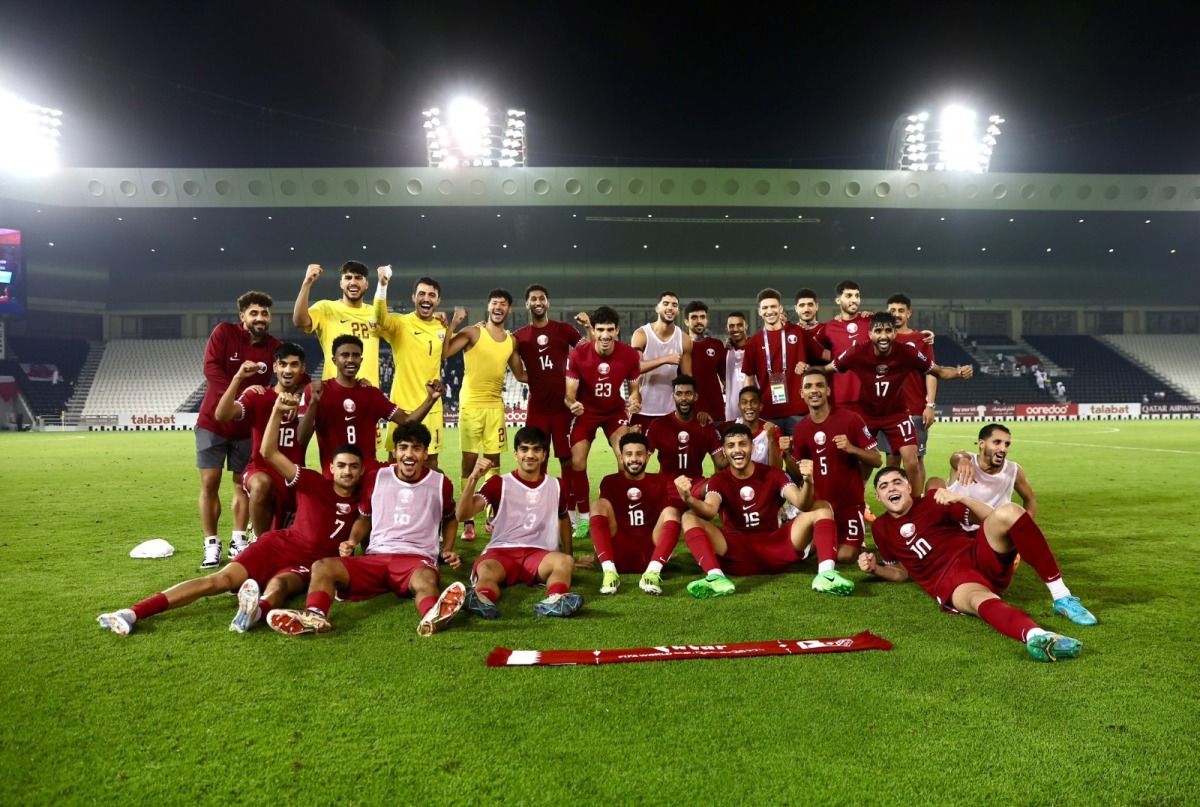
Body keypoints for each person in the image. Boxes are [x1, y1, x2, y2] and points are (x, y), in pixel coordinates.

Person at [99, 393, 366, 636]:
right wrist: (276, 410)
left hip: (310, 563)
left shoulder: (364, 498)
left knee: (281, 586)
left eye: (354, 467)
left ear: (362, 470)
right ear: (331, 467)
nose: (347, 472)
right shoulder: (311, 481)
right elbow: (268, 452)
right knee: (219, 580)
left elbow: (367, 518)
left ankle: (254, 612)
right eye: (341, 465)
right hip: (277, 546)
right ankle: (133, 612)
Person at [860, 467, 1095, 662]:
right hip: (951, 582)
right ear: (878, 498)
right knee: (978, 601)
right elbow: (901, 573)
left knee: (1010, 511)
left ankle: (1062, 597)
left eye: (897, 482)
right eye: (883, 486)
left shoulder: (933, 501)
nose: (891, 487)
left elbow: (990, 517)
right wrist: (876, 568)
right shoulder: (881, 528)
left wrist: (962, 498)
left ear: (909, 488)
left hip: (976, 554)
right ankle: (1038, 636)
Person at [266, 421, 467, 638]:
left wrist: (446, 549)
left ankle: (432, 616)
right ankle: (315, 615)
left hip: (416, 559)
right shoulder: (376, 477)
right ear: (394, 451)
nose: (409, 454)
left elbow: (450, 518)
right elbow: (364, 518)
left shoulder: (441, 483)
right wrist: (352, 541)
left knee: (426, 579)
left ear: (425, 453)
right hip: (376, 556)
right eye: (403, 447)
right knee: (323, 566)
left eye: (416, 448)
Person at [675, 423, 854, 599]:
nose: (737, 450)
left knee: (821, 506)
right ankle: (715, 576)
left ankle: (827, 575)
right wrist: (689, 499)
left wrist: (808, 482)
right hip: (735, 551)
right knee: (689, 517)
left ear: (752, 447)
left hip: (776, 547)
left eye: (742, 444)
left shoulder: (773, 473)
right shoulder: (718, 480)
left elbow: (803, 504)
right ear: (724, 451)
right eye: (731, 446)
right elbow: (709, 511)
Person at [825, 312, 973, 495]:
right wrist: (811, 377)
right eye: (878, 331)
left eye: (888, 330)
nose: (884, 336)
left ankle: (916, 505)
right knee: (864, 460)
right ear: (870, 334)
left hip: (896, 414)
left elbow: (940, 372)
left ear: (895, 333)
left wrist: (959, 372)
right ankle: (857, 499)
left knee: (911, 461)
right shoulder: (857, 352)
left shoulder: (907, 353)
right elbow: (827, 370)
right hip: (865, 415)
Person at [456, 427, 593, 618]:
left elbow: (563, 519)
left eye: (536, 449)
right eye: (524, 449)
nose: (530, 454)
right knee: (486, 570)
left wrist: (570, 558)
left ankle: (554, 601)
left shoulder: (557, 485)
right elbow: (462, 515)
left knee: (564, 562)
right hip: (502, 552)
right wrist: (473, 478)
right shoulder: (498, 483)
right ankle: (483, 601)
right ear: (516, 454)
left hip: (540, 553)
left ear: (544, 455)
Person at [195, 290, 283, 569]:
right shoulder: (224, 333)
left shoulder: (274, 347)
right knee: (209, 483)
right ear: (242, 316)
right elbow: (210, 368)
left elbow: (291, 375)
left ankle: (237, 539)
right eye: (254, 313)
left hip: (247, 429)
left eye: (265, 313)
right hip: (213, 421)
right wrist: (241, 395)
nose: (260, 318)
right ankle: (211, 543)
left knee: (240, 485)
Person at [442, 289, 525, 541]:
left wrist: (550, 378)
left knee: (493, 462)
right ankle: (467, 518)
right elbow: (445, 353)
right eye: (495, 303)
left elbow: (521, 375)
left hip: (495, 407)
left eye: (504, 304)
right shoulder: (473, 332)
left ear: (509, 309)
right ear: (488, 307)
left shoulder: (511, 341)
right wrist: (454, 324)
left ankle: (492, 513)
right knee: (469, 461)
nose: (499, 307)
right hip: (471, 405)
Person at [300, 335, 439, 481]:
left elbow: (407, 421)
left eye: (356, 355)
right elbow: (302, 439)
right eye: (345, 355)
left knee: (433, 473)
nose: (351, 360)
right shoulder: (317, 391)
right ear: (334, 360)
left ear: (361, 360)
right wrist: (314, 404)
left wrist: (431, 399)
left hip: (370, 476)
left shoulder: (371, 394)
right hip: (336, 477)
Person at [512, 284, 592, 533]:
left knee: (569, 463)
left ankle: (575, 515)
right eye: (533, 298)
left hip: (563, 407)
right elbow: (519, 374)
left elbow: (589, 352)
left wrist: (589, 327)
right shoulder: (519, 337)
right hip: (537, 408)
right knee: (537, 460)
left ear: (548, 303)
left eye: (542, 298)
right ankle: (542, 513)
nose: (538, 301)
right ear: (527, 304)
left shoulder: (564, 329)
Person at [783, 370, 881, 563]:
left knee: (845, 556)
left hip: (849, 506)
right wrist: (786, 455)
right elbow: (797, 475)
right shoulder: (801, 428)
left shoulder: (850, 419)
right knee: (794, 554)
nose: (814, 390)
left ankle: (829, 542)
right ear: (802, 393)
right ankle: (818, 539)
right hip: (819, 507)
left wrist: (852, 448)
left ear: (828, 390)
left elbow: (877, 459)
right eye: (808, 386)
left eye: (820, 385)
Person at [213, 343, 308, 537]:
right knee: (261, 485)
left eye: (294, 365)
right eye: (282, 364)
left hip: (292, 476)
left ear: (302, 368)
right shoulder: (258, 395)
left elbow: (320, 387)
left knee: (289, 539)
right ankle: (259, 541)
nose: (288, 370)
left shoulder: (308, 400)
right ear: (275, 367)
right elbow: (222, 414)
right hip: (260, 469)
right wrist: (238, 378)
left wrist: (301, 395)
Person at [564, 306, 642, 539]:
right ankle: (585, 518)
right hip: (586, 412)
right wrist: (572, 404)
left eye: (610, 329)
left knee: (625, 457)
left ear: (617, 330)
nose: (605, 335)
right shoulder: (578, 355)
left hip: (614, 411)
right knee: (577, 462)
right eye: (600, 330)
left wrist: (635, 402)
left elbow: (635, 391)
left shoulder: (629, 355)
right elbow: (569, 394)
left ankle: (622, 511)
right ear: (594, 331)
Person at [373, 275, 448, 469]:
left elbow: (455, 345)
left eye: (432, 295)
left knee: (431, 462)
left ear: (438, 301)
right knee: (395, 461)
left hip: (432, 407)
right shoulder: (400, 324)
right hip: (402, 408)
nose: (426, 298)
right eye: (422, 294)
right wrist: (382, 286)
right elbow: (379, 318)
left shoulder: (441, 327)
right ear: (413, 297)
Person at [590, 433, 678, 595]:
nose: (634, 459)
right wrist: (598, 553)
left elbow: (667, 520)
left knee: (672, 511)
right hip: (618, 554)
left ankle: (652, 574)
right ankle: (609, 572)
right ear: (621, 458)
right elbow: (604, 521)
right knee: (598, 504)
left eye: (639, 454)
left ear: (647, 457)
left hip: (649, 552)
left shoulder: (660, 481)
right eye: (629, 454)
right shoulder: (610, 482)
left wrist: (667, 547)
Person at [874, 294, 939, 484]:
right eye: (892, 310)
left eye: (901, 310)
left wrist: (930, 405)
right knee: (892, 460)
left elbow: (931, 373)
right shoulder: (879, 338)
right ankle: (894, 505)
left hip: (915, 408)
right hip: (888, 411)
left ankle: (917, 505)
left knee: (916, 461)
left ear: (908, 313)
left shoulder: (921, 340)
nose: (896, 314)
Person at [741, 288, 824, 434]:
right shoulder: (753, 342)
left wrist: (809, 367)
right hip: (768, 411)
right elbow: (749, 380)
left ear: (780, 308)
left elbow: (825, 356)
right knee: (772, 456)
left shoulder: (798, 333)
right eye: (765, 308)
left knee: (801, 456)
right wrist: (747, 408)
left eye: (773, 306)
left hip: (799, 410)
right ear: (759, 311)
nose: (770, 311)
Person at [292, 261, 381, 386]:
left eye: (359, 278)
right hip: (333, 392)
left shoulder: (376, 313)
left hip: (369, 392)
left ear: (366, 284)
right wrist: (307, 283)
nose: (353, 282)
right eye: (348, 278)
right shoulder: (326, 308)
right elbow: (299, 321)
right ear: (341, 284)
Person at [631, 291, 692, 432]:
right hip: (643, 408)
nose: (670, 307)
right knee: (639, 452)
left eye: (674, 305)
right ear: (657, 308)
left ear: (678, 311)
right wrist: (665, 359)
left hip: (671, 410)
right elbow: (635, 368)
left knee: (672, 453)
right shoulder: (641, 334)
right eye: (666, 304)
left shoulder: (684, 339)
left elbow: (688, 379)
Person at [819, 280, 873, 408]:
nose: (854, 299)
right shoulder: (829, 327)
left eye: (857, 295)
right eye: (849, 296)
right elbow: (813, 351)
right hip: (839, 396)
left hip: (868, 397)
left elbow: (895, 334)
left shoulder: (870, 321)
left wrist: (921, 335)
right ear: (838, 300)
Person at [684, 300, 727, 423]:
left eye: (702, 317)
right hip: (688, 411)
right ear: (686, 321)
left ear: (706, 320)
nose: (699, 321)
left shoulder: (717, 345)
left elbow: (725, 379)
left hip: (714, 410)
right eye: (694, 317)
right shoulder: (679, 344)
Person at [723, 385, 783, 468]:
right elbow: (719, 464)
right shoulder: (728, 427)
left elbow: (777, 469)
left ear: (760, 406)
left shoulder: (773, 430)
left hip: (763, 480)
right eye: (744, 402)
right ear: (739, 406)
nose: (749, 407)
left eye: (754, 402)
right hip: (736, 480)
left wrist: (771, 440)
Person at [723, 312, 749, 421]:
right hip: (732, 413)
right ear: (727, 328)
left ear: (746, 326)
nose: (736, 329)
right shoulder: (725, 352)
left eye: (739, 325)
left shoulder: (755, 347)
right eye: (731, 326)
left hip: (754, 409)